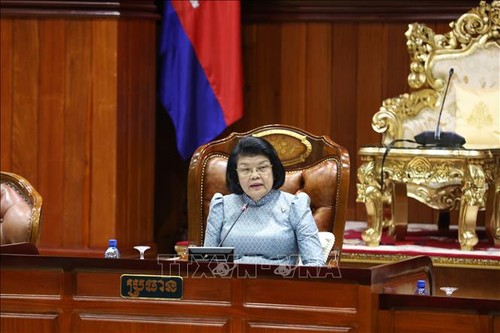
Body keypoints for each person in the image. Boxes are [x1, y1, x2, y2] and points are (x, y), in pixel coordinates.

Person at [203, 136, 325, 266]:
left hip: (280, 283)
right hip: (230, 283)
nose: (255, 175)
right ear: (236, 175)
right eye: (246, 169)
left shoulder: (295, 206)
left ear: (274, 170)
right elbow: (205, 263)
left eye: (262, 168)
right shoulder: (221, 206)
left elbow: (314, 263)